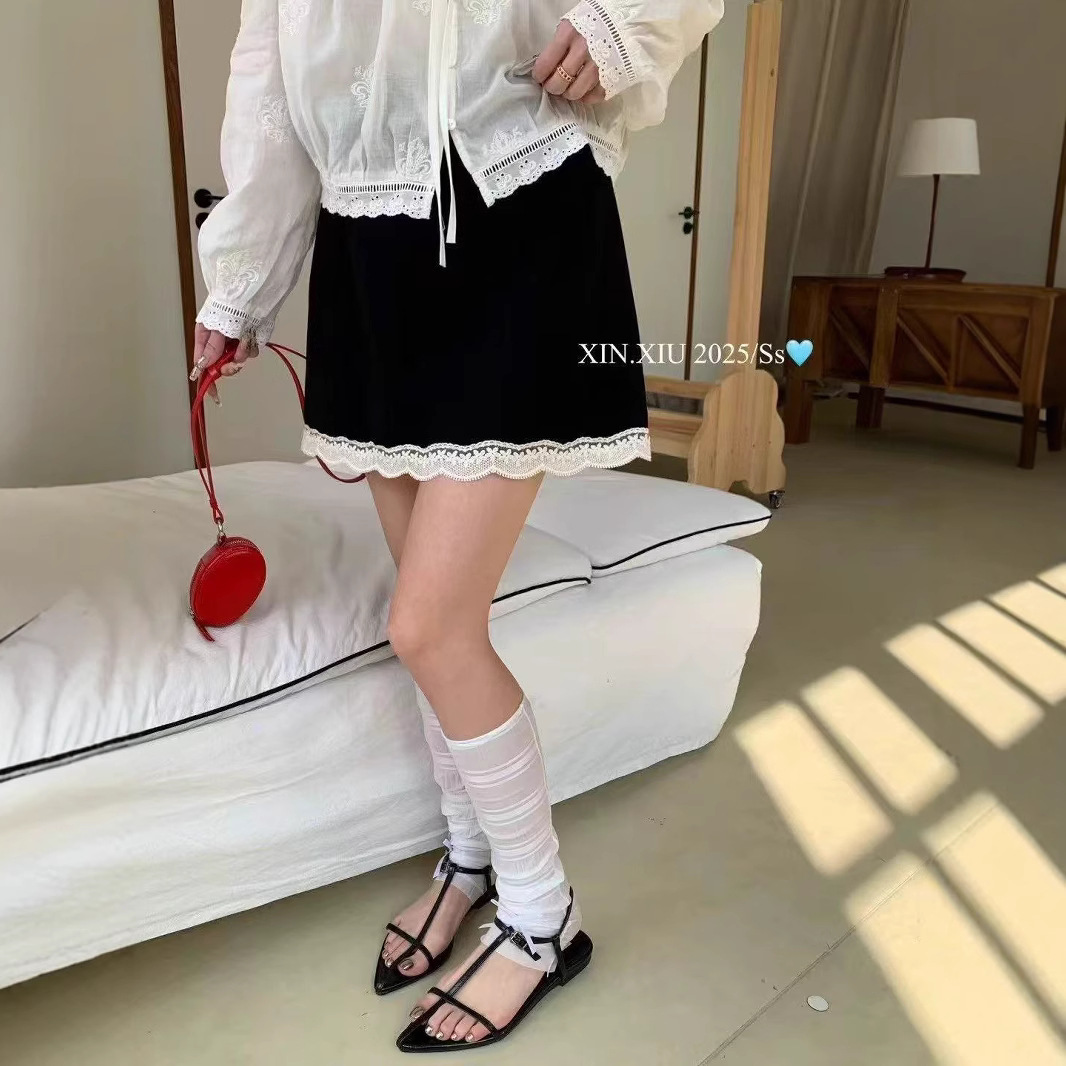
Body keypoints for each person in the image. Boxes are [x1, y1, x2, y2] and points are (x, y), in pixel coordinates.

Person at [191, 0, 723, 1051]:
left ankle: (540, 916)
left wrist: (625, 23)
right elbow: (269, 82)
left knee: (427, 627)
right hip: (367, 242)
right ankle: (470, 858)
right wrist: (237, 290)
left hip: (517, 198)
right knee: (438, 623)